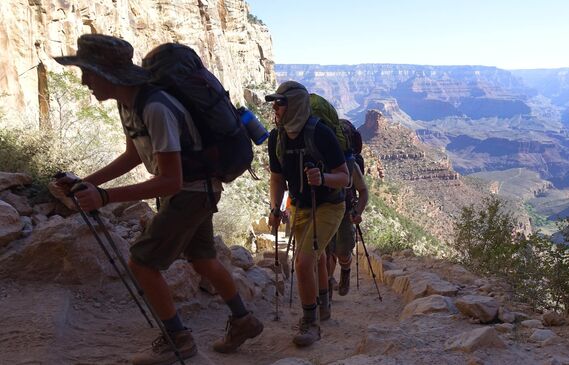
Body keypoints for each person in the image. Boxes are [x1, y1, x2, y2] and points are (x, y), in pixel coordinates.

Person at [52, 34, 263, 365]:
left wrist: (104, 196)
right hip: (194, 191)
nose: (84, 81)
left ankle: (178, 340)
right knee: (203, 259)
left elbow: (170, 180)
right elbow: (133, 156)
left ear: (107, 73)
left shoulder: (155, 107)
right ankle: (244, 321)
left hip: (190, 193)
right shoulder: (129, 103)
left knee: (142, 262)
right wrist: (85, 183)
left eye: (88, 72)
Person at [266, 81, 349, 347]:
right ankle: (323, 305)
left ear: (295, 106)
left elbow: (345, 178)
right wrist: (275, 209)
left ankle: (310, 323)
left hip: (329, 205)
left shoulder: (320, 134)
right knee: (315, 258)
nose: (275, 108)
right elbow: (277, 178)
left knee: (303, 261)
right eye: (275, 103)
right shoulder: (275, 138)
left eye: (280, 103)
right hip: (300, 206)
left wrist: (322, 177)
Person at [326, 157, 368, 296]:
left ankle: (345, 271)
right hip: (323, 211)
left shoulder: (350, 164)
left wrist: (357, 211)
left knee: (343, 251)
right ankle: (327, 286)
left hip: (346, 212)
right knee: (328, 252)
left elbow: (363, 191)